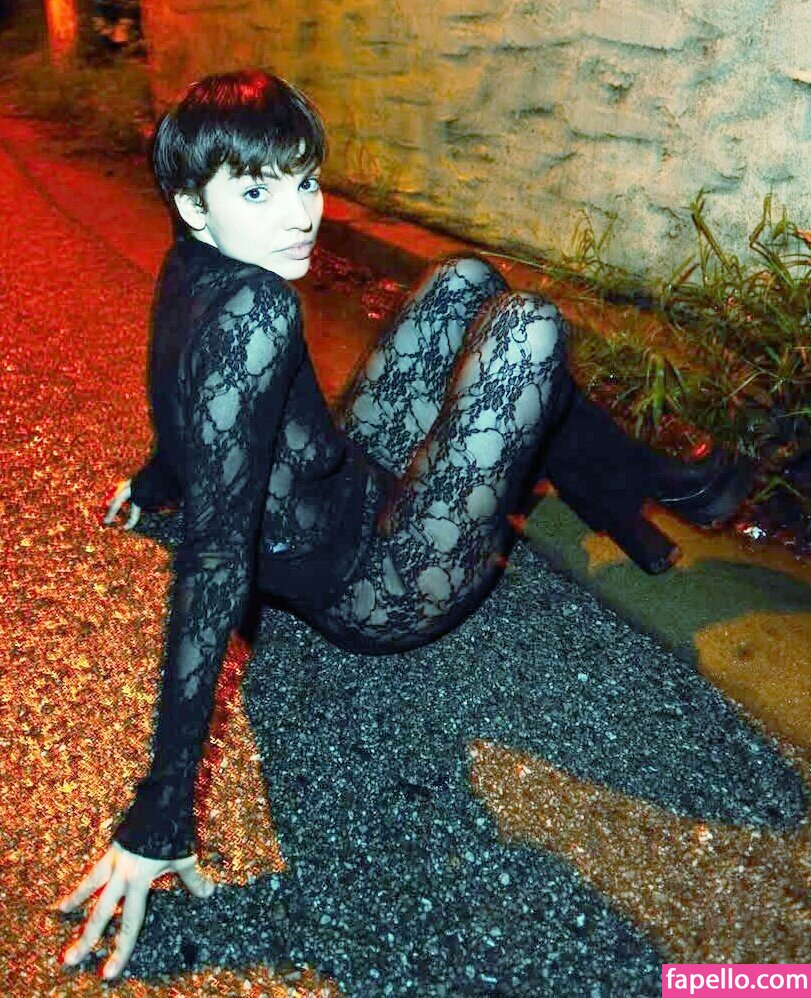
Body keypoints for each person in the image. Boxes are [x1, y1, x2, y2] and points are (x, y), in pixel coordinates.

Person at [56, 69, 752, 981]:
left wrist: (155, 481)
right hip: (375, 588)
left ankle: (626, 487)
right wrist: (160, 807)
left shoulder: (195, 263)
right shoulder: (259, 309)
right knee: (526, 329)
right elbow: (215, 559)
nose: (300, 215)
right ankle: (635, 487)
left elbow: (194, 406)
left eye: (305, 181)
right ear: (194, 203)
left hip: (342, 488)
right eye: (257, 193)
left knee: (466, 280)